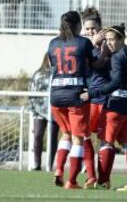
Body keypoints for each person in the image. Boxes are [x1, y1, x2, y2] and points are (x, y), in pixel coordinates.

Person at [81, 24, 127, 192]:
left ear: (121, 40)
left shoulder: (117, 57)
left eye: (112, 40)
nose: (109, 43)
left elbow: (116, 82)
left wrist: (92, 92)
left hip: (115, 106)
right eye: (107, 40)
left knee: (106, 142)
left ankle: (103, 181)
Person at [49, 11, 107, 189]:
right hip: (76, 95)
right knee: (78, 140)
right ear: (77, 26)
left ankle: (59, 169)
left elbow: (54, 64)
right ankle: (72, 180)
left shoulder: (53, 43)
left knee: (65, 134)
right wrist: (103, 51)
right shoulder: (83, 42)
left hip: (55, 96)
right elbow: (97, 64)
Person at [81, 6, 109, 188]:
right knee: (84, 137)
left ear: (100, 28)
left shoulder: (109, 44)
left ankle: (104, 179)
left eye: (94, 28)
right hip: (86, 99)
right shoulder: (81, 46)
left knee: (105, 140)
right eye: (88, 28)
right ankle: (91, 176)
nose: (91, 31)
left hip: (105, 99)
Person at [28, 53, 59, 171]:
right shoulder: (38, 74)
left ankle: (49, 164)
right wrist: (33, 107)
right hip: (39, 111)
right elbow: (31, 90)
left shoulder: (59, 74)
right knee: (38, 135)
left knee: (52, 138)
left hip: (54, 112)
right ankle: (37, 163)